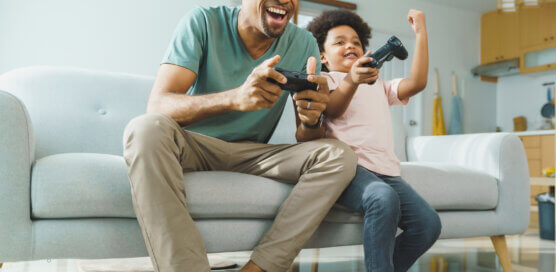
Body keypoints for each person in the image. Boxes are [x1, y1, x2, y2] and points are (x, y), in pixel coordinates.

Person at [122, 0, 358, 271]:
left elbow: (307, 138)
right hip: (193, 146)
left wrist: (311, 117)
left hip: (251, 154)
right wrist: (234, 98)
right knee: (144, 130)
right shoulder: (203, 21)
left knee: (339, 155)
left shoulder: (304, 42)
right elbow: (158, 106)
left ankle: (259, 268)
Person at [306, 9, 441, 272]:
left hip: (387, 172)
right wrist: (352, 80)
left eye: (356, 42)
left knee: (428, 224)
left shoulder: (380, 86)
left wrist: (421, 33)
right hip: (350, 171)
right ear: (323, 56)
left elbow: (417, 82)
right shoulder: (326, 81)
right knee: (382, 197)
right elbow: (332, 109)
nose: (351, 46)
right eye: (340, 42)